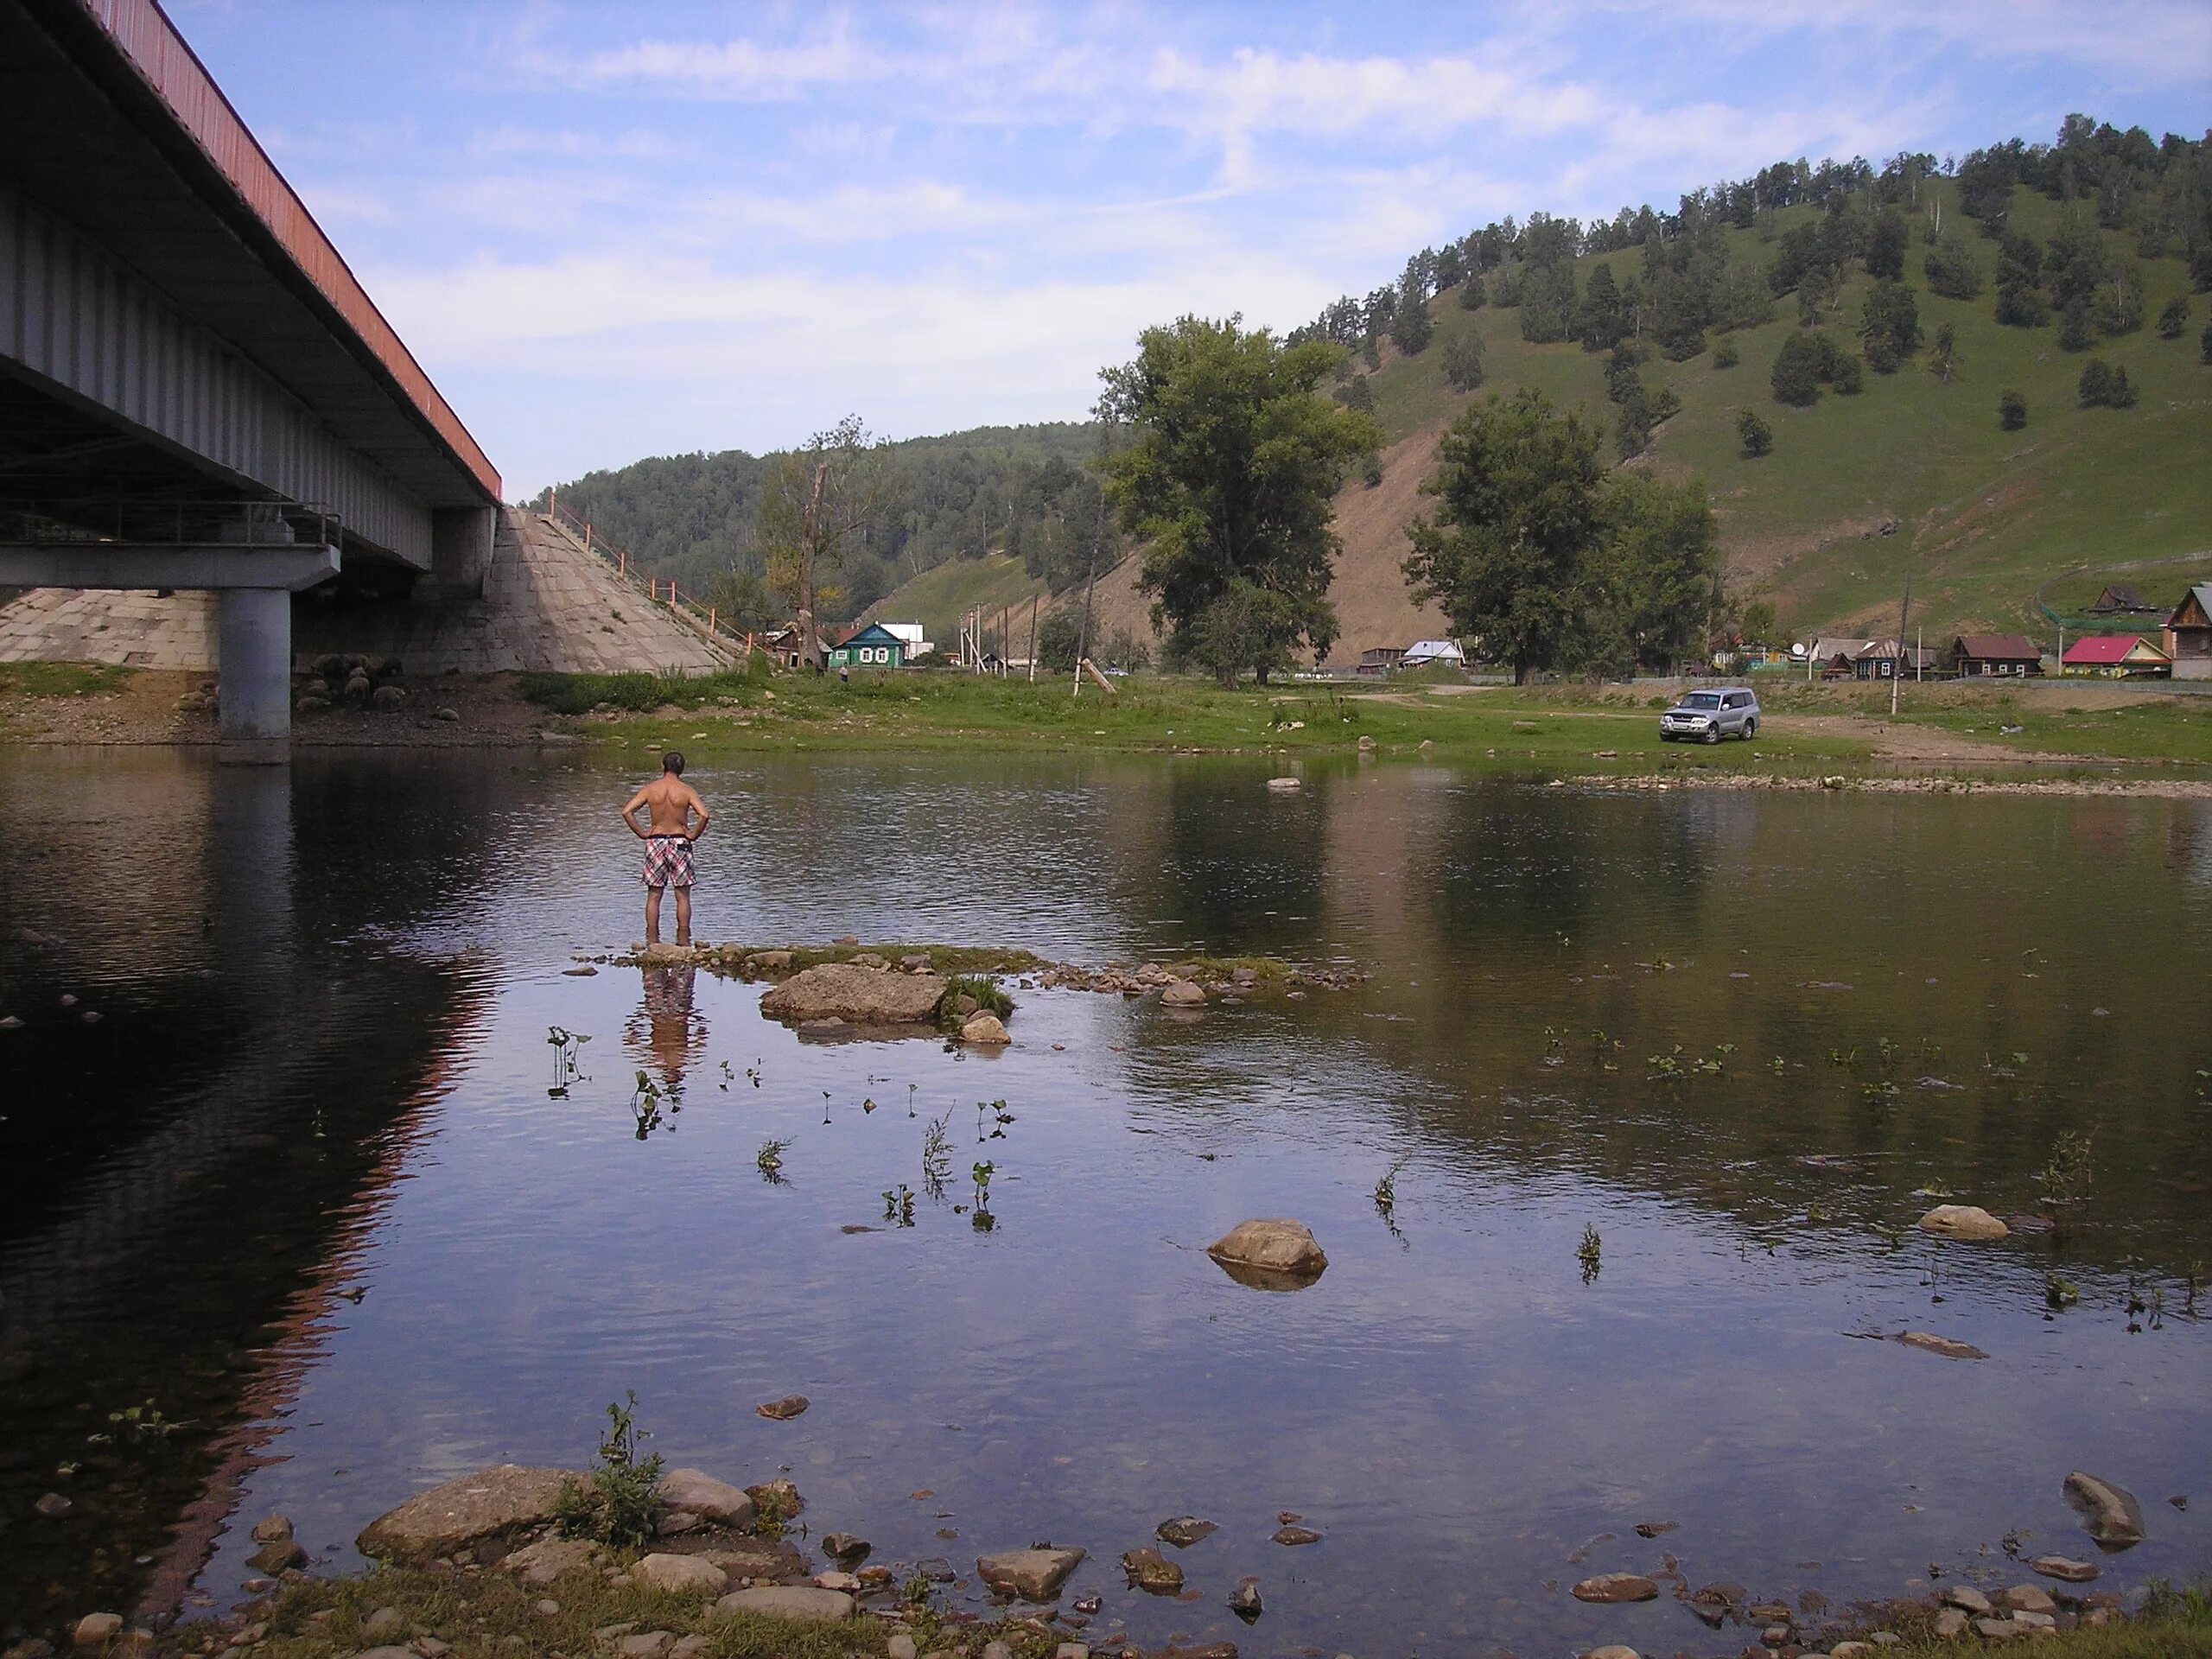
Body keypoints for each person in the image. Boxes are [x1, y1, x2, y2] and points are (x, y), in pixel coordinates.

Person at [620, 752, 709, 945]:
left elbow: (627, 811)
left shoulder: (651, 789)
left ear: (663, 767)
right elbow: (704, 815)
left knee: (654, 894)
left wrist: (642, 833)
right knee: (683, 895)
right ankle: (684, 940)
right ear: (682, 769)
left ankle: (652, 941)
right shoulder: (686, 790)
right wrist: (693, 835)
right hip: (680, 841)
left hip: (656, 841)